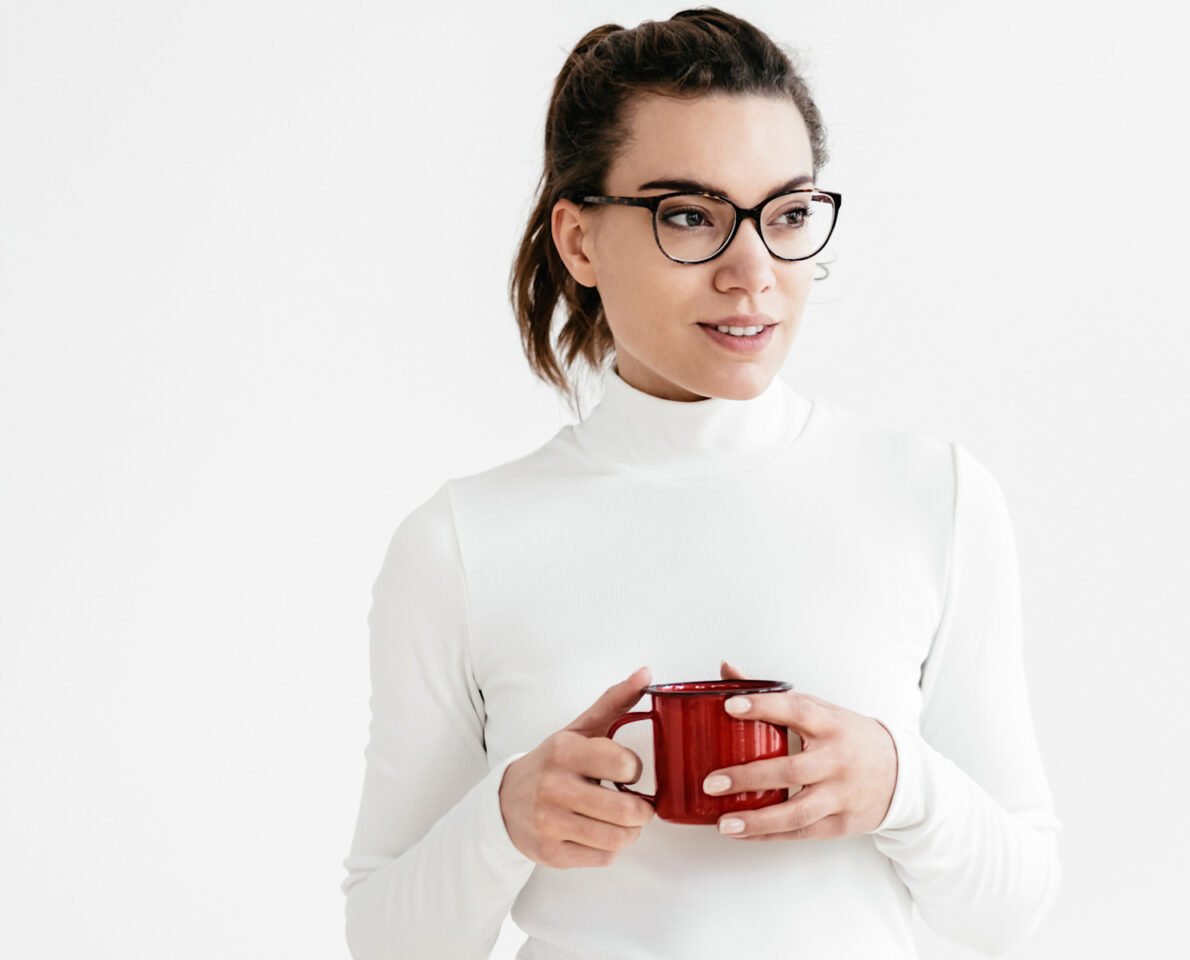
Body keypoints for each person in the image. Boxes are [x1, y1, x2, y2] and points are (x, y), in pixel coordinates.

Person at [340, 8, 1061, 958]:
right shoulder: (461, 542)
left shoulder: (937, 498)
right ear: (580, 240)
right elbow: (386, 941)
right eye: (690, 216)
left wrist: (900, 784)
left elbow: (1012, 910)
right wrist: (504, 821)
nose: (753, 272)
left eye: (788, 214)